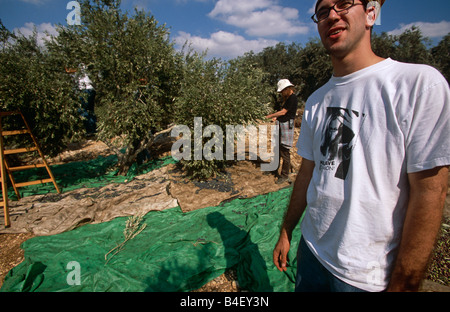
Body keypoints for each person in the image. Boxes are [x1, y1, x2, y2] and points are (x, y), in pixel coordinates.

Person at [273, 0, 450, 292]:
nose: (331, 15)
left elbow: (430, 193)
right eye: (322, 11)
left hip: (365, 277)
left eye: (343, 4)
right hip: (312, 253)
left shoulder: (418, 85)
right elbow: (308, 172)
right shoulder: (317, 101)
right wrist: (286, 231)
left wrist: (405, 285)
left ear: (371, 13)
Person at [266, 79, 299, 184]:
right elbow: (284, 113)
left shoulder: (293, 98)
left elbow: (284, 112)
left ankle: (284, 175)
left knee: (284, 151)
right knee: (277, 149)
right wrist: (276, 118)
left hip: (286, 127)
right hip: (281, 125)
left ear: (287, 89)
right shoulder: (288, 98)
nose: (281, 93)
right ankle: (274, 168)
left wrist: (270, 116)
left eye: (282, 91)